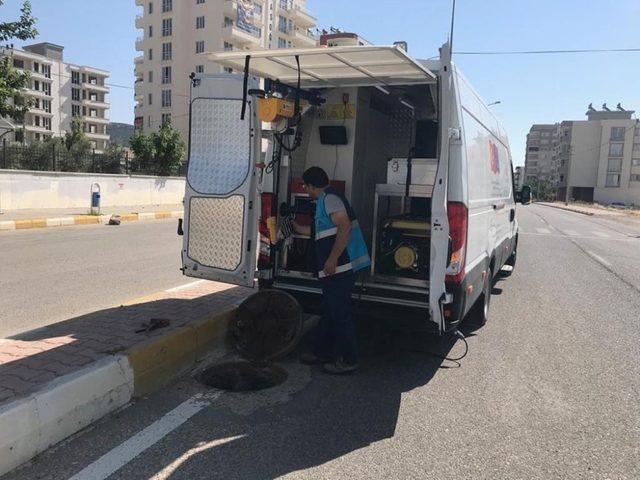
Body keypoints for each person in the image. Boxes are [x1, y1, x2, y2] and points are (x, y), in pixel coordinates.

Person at [293, 167, 371, 374]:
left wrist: (332, 259)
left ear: (310, 185)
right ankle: (322, 352)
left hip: (342, 266)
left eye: (305, 186)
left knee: (339, 313)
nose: (305, 190)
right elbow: (321, 231)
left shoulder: (330, 199)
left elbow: (343, 227)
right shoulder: (325, 200)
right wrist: (293, 227)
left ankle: (349, 358)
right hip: (337, 267)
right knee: (329, 310)